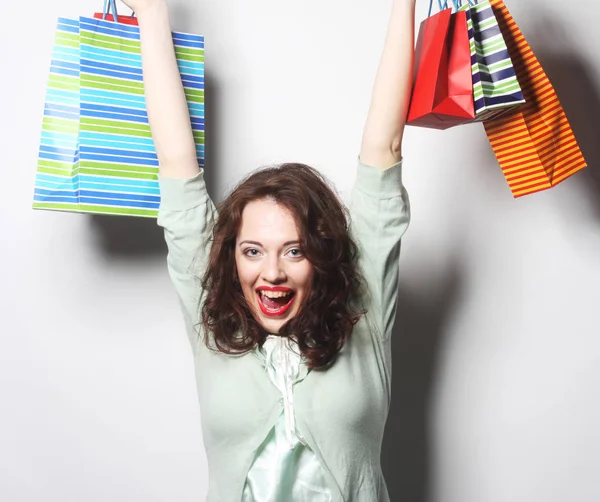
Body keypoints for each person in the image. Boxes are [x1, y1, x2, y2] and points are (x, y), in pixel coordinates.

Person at [120, 0, 414, 500]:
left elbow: (382, 148)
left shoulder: (360, 311)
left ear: (321, 258)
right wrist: (151, 13)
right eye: (252, 251)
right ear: (231, 258)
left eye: (294, 251)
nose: (271, 273)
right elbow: (174, 161)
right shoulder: (210, 314)